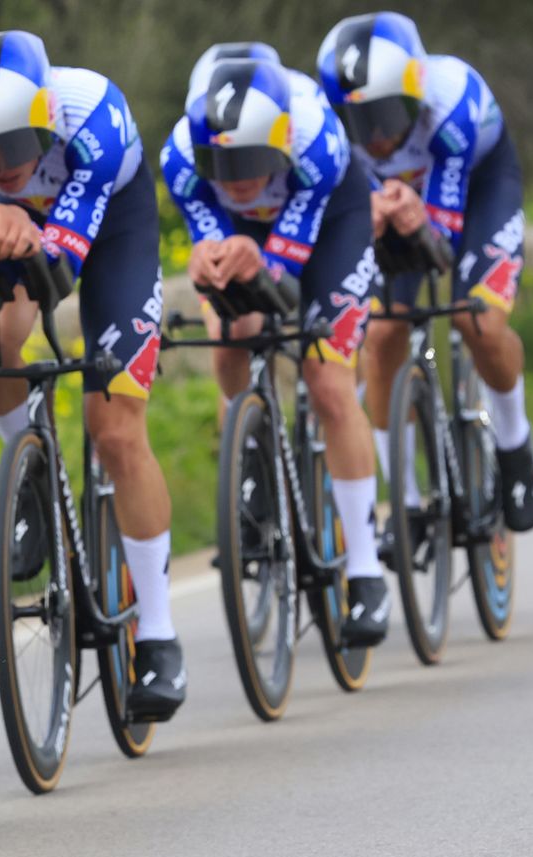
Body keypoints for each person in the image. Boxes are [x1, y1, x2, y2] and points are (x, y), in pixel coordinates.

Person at [0, 30, 186, 720]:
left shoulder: (95, 114)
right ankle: (31, 475)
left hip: (107, 234)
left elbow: (61, 269)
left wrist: (18, 228)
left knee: (116, 429)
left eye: (15, 145)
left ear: (48, 121)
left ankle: (157, 635)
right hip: (26, 231)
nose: (0, 165)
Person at [161, 55, 393, 646]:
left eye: (252, 161)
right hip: (250, 231)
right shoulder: (181, 158)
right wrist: (210, 257)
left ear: (281, 143)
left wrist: (255, 260)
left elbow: (285, 279)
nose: (237, 177)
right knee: (230, 333)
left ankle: (365, 571)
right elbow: (213, 243)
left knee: (327, 378)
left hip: (330, 225)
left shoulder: (316, 143)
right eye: (224, 164)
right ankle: (252, 467)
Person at [318, 12, 533, 535]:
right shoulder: (327, 129)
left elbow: (438, 245)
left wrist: (405, 213)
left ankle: (515, 446)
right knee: (381, 334)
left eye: (387, 115)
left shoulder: (453, 102)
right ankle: (408, 502)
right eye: (360, 122)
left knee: (478, 321)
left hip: (478, 188)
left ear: (416, 92)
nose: (375, 137)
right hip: (400, 204)